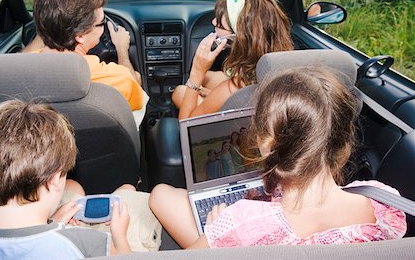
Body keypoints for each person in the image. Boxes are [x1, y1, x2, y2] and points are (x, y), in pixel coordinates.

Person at [149, 67, 407, 249]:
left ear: (265, 143)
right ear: (343, 145)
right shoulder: (383, 202)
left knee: (159, 194)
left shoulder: (242, 222)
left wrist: (218, 233)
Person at [0, 100, 131, 258]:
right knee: (128, 190)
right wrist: (119, 236)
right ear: (54, 179)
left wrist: (51, 223)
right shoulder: (86, 244)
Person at [25, 0, 144, 111]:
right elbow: (137, 97)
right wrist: (122, 49)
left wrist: (49, 25)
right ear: (80, 35)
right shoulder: (117, 78)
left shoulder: (16, 72)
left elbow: (22, 57)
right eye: (102, 22)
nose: (104, 26)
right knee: (136, 76)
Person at [172, 0, 293, 119]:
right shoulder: (281, 65)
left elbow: (186, 124)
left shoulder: (229, 91)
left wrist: (197, 71)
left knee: (180, 92)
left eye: (220, 24)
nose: (213, 22)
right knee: (208, 76)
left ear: (238, 38)